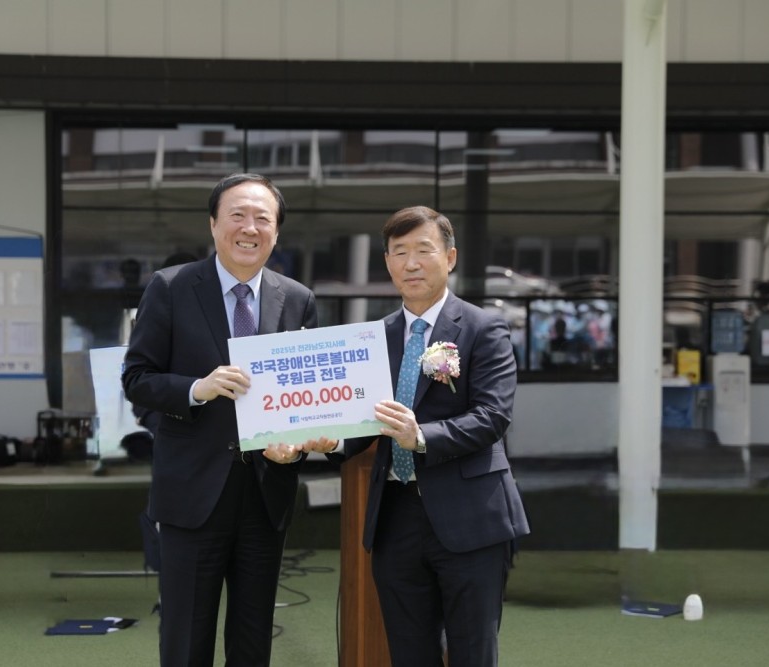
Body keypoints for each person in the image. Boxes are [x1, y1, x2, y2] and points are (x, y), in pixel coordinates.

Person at [122, 173, 333, 667]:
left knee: (253, 638)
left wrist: (298, 441)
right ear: (214, 224)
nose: (249, 228)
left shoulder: (297, 298)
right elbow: (136, 378)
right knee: (185, 638)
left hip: (265, 492)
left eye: (263, 218)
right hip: (192, 492)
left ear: (276, 232)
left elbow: (303, 393)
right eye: (237, 215)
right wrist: (198, 388)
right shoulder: (170, 287)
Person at [305, 206, 529, 667]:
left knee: (473, 651)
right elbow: (363, 420)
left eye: (423, 250)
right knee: (408, 652)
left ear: (450, 257)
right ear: (387, 262)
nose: (411, 263)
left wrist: (420, 436)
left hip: (470, 517)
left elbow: (493, 416)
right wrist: (334, 442)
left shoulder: (484, 328)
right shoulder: (373, 338)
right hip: (395, 518)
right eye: (399, 252)